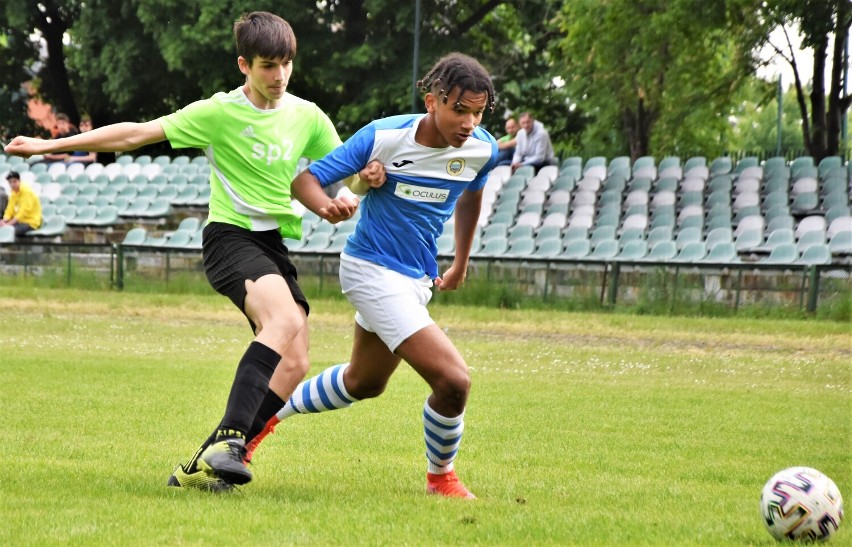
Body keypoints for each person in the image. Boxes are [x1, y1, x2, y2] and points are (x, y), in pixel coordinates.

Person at [4, 11, 383, 492]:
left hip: (271, 245)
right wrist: (44, 146)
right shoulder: (218, 112)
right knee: (283, 323)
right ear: (244, 64)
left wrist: (352, 194)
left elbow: (338, 175)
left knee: (295, 363)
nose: (280, 75)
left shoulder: (307, 115)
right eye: (268, 65)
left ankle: (205, 464)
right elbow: (134, 133)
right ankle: (229, 441)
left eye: (287, 63)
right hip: (228, 238)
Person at [243, 52, 499, 499]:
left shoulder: (483, 149)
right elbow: (306, 181)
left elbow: (471, 195)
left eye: (478, 112)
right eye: (460, 110)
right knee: (454, 380)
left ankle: (260, 422)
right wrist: (329, 206)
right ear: (432, 101)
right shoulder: (383, 136)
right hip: (370, 268)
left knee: (364, 382)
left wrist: (460, 260)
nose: (469, 123)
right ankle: (442, 479)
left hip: (416, 279)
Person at [0, 171, 42, 236]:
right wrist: (4, 221)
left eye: (14, 181)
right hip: (20, 222)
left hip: (30, 223)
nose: (12, 184)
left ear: (19, 181)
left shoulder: (27, 192)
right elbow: (9, 210)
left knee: (8, 231)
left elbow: (22, 213)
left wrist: (8, 225)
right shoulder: (13, 193)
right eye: (10, 182)